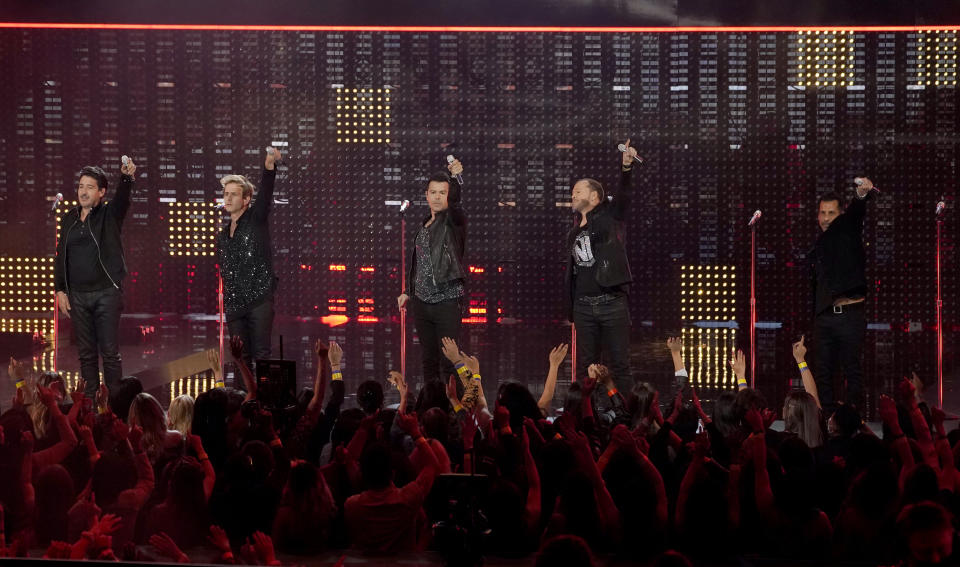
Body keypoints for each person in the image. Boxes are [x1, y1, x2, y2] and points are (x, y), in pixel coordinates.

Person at [54, 158, 137, 400]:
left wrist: (127, 178)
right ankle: (90, 404)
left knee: (109, 353)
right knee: (86, 354)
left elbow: (122, 199)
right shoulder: (69, 219)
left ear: (101, 192)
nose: (84, 191)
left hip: (106, 293)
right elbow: (61, 257)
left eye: (90, 187)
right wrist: (60, 290)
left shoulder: (109, 215)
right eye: (81, 186)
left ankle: (114, 404)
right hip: (77, 296)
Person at [566, 141, 638, 392]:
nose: (573, 195)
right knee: (587, 366)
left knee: (619, 364)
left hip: (611, 303)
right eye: (572, 191)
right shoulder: (573, 232)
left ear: (595, 197)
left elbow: (623, 199)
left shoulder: (609, 219)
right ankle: (591, 416)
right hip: (583, 307)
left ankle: (627, 418)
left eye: (578, 191)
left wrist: (626, 168)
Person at [396, 158, 466, 384]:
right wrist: (409, 291)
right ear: (426, 195)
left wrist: (456, 179)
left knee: (448, 360)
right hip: (422, 303)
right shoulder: (424, 224)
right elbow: (421, 263)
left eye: (442, 193)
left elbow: (455, 203)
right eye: (433, 192)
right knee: (428, 360)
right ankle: (431, 408)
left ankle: (451, 410)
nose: (437, 197)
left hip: (446, 300)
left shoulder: (454, 222)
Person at [809, 177, 877, 411]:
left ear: (840, 215)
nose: (826, 218)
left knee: (852, 370)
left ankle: (853, 424)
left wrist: (860, 196)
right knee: (823, 373)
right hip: (825, 318)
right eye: (822, 213)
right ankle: (827, 424)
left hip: (849, 316)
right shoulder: (819, 246)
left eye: (831, 213)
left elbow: (856, 213)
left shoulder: (848, 230)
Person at [217, 148, 282, 370]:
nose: (227, 198)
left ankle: (265, 403)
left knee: (261, 355)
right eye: (226, 194)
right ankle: (245, 402)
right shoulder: (223, 235)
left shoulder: (256, 218)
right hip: (235, 305)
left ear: (246, 199)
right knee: (240, 359)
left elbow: (265, 194)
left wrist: (269, 167)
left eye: (233, 194)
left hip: (259, 300)